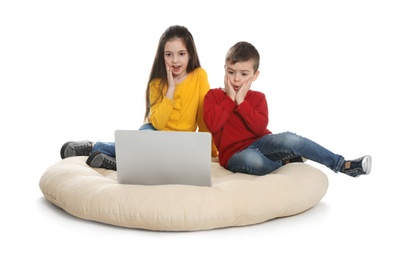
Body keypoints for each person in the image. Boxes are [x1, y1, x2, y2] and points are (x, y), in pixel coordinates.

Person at [203, 41, 371, 177]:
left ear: (255, 75)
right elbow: (213, 125)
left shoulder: (258, 97)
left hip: (261, 142)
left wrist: (242, 102)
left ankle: (342, 164)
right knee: (253, 160)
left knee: (291, 139)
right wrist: (231, 99)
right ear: (225, 70)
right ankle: (286, 162)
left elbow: (259, 128)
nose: (236, 79)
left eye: (244, 74)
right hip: (234, 154)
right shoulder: (213, 96)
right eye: (231, 72)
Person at [60, 25, 218, 170]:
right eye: (169, 54)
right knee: (145, 141)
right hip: (154, 134)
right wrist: (170, 90)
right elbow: (157, 123)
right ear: (162, 57)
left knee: (162, 158)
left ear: (190, 54)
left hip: (179, 144)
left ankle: (112, 158)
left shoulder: (199, 76)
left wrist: (211, 151)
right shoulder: (156, 83)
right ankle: (93, 147)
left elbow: (204, 117)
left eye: (181, 54)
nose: (175, 60)